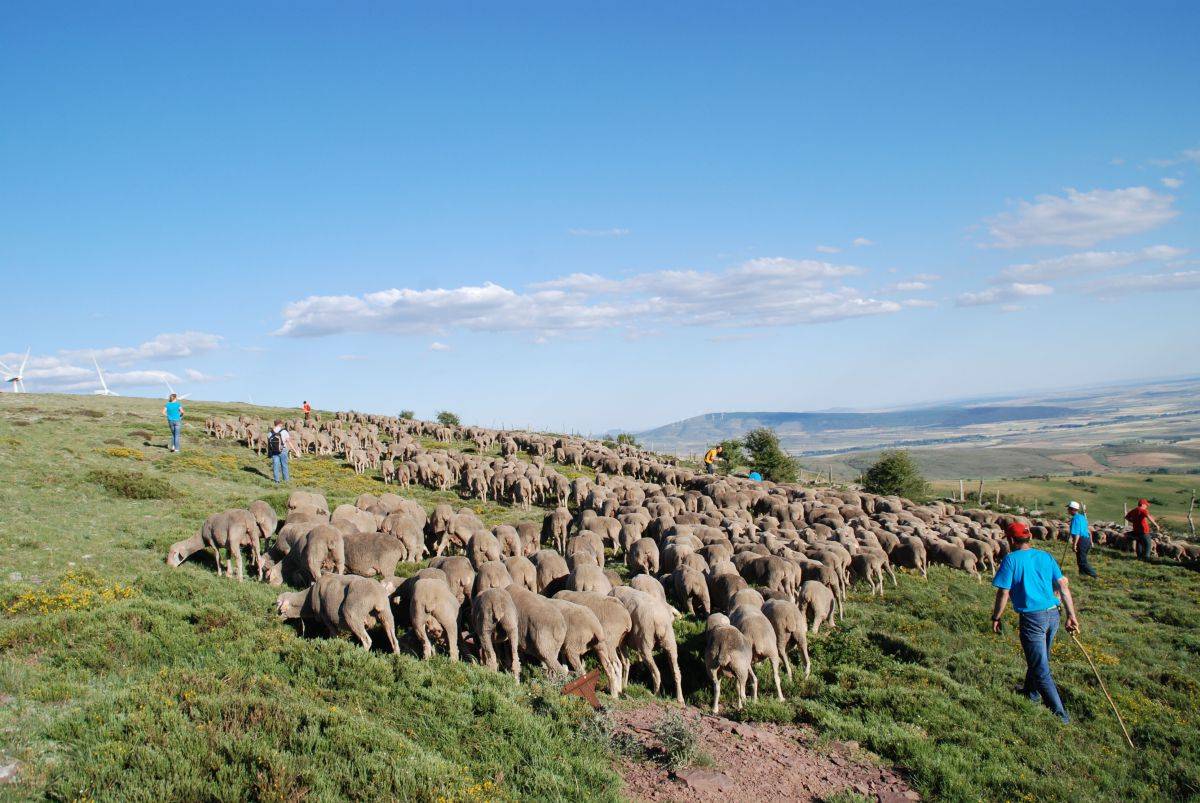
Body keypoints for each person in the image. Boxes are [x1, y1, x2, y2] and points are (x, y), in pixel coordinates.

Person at [991, 521, 1079, 725]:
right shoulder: (1046, 556)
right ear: (1029, 537)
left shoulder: (1011, 560)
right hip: (1053, 615)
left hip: (1033, 619)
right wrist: (1071, 615)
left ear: (1011, 540)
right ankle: (1031, 694)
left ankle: (1060, 717)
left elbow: (1003, 592)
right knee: (1039, 657)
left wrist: (996, 617)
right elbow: (1063, 587)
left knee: (1040, 667)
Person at [1067, 501, 1098, 578]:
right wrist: (1091, 542)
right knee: (1080, 560)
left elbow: (1077, 533)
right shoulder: (1082, 517)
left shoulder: (1075, 519)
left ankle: (1094, 575)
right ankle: (1082, 576)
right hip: (1086, 540)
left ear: (1073, 509)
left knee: (1082, 562)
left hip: (1081, 541)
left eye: (1069, 508)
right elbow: (1088, 531)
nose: (1067, 510)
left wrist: (1074, 545)